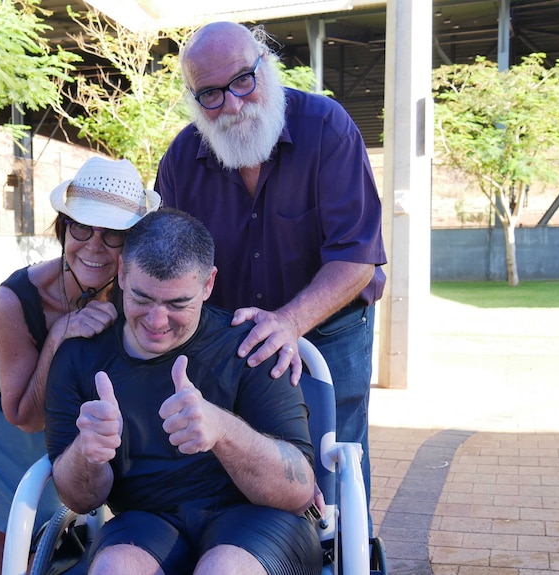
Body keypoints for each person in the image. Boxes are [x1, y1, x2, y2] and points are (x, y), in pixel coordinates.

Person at [154, 21, 387, 517]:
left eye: (242, 80)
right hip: (231, 339)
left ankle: (349, 555)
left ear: (265, 62)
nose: (233, 104)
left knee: (335, 461)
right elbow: (167, 258)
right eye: (211, 94)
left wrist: (289, 323)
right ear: (193, 99)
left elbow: (357, 258)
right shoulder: (181, 158)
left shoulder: (326, 127)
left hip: (329, 329)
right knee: (244, 463)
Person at [44, 209, 322, 575]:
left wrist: (223, 430)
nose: (157, 322)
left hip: (258, 520)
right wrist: (87, 453)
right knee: (115, 569)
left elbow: (298, 492)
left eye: (178, 304)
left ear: (208, 285)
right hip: (145, 523)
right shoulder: (79, 357)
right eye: (142, 299)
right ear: (123, 273)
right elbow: (79, 498)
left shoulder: (250, 346)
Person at [0, 157, 160, 574]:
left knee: (55, 512)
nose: (94, 245)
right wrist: (59, 335)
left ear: (133, 241)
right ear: (63, 227)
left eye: (113, 234)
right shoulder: (17, 299)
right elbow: (23, 416)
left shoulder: (133, 289)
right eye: (81, 227)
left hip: (38, 393)